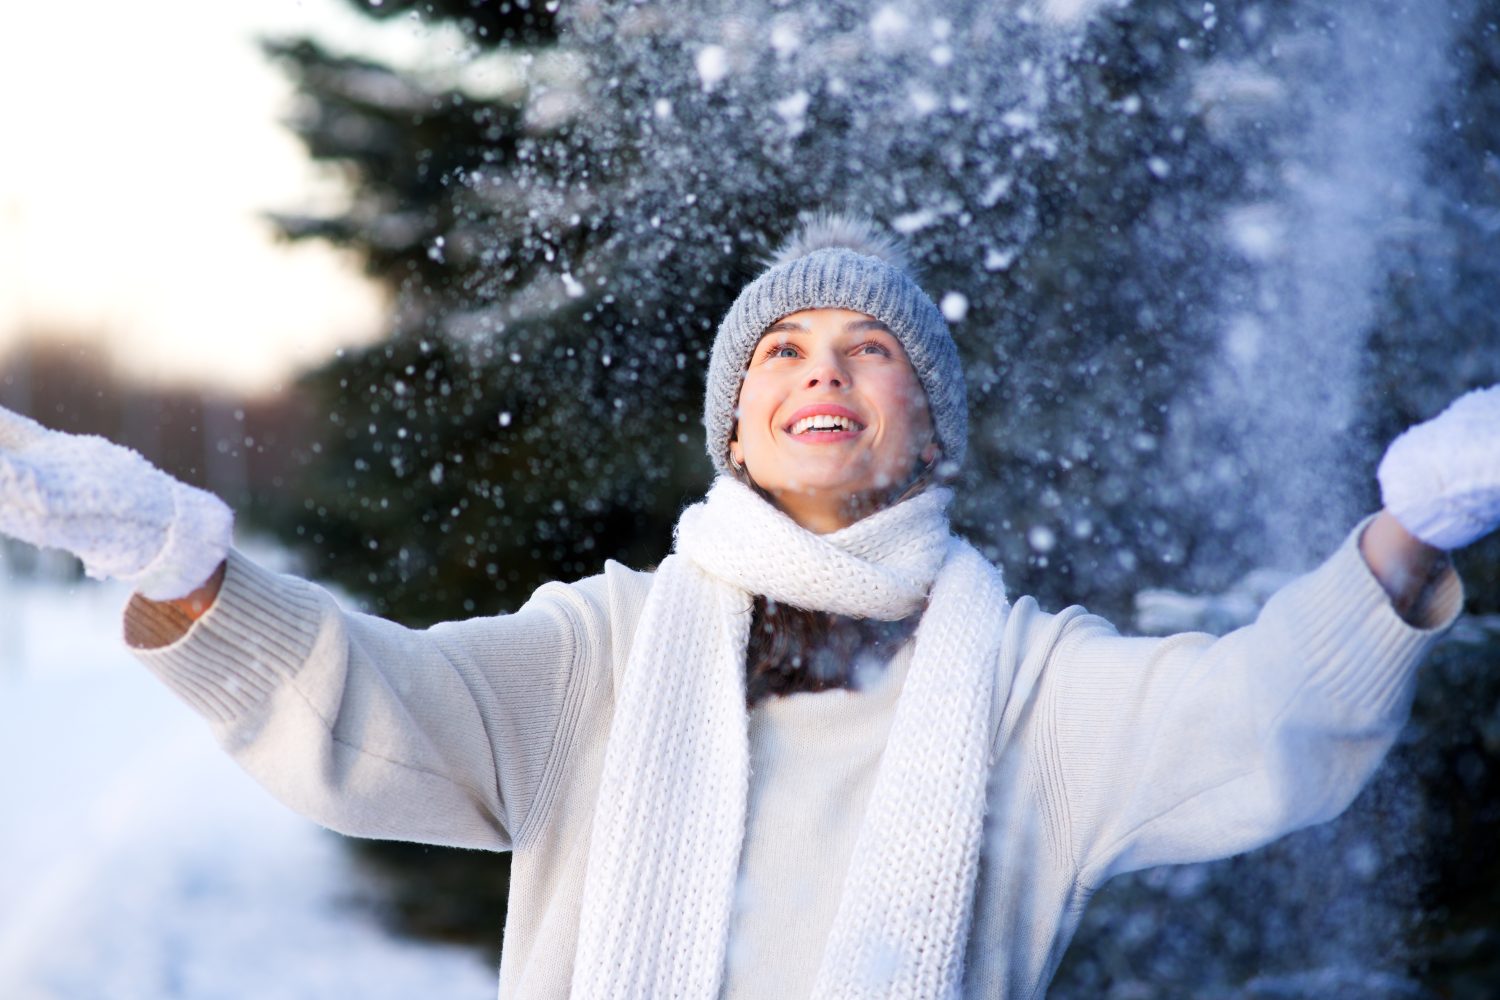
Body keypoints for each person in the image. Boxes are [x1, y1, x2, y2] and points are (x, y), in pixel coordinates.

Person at [0, 213, 1494, 999]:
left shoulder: (1034, 691)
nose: (821, 371)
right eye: (779, 351)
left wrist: (1406, 533)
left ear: (931, 428)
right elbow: (378, 716)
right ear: (735, 426)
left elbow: (1259, 725)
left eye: (869, 350)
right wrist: (172, 559)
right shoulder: (604, 647)